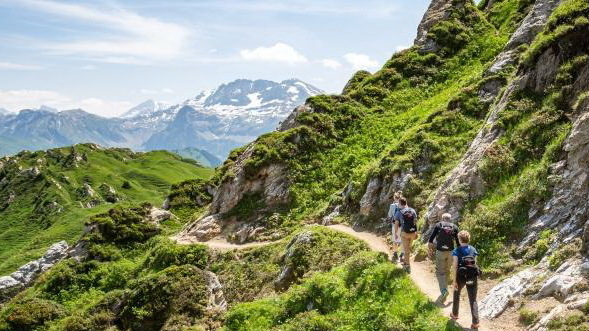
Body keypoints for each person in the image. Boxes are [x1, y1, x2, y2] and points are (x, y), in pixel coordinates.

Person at [451, 230, 480, 330]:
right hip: (472, 276)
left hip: (461, 277)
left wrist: (454, 281)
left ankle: (455, 314)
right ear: (469, 239)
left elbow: (454, 267)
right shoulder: (473, 249)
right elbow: (475, 263)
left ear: (459, 239)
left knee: (456, 294)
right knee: (473, 299)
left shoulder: (456, 250)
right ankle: (475, 323)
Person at [428, 213, 460, 302]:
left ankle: (444, 290)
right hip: (451, 252)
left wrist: (430, 251)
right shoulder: (455, 227)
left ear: (442, 218)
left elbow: (431, 239)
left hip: (440, 252)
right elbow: (458, 243)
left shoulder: (438, 225)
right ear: (450, 219)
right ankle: (445, 288)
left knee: (439, 272)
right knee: (447, 270)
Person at [394, 197, 418, 273]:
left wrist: (396, 233)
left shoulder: (399, 212)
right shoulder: (412, 210)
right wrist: (416, 232)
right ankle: (405, 262)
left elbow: (396, 223)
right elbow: (415, 221)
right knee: (408, 248)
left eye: (398, 203)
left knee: (406, 250)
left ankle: (407, 266)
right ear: (406, 202)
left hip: (405, 233)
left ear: (400, 204)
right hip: (413, 233)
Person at [386, 191, 403, 262]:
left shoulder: (392, 206)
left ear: (394, 198)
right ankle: (402, 253)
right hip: (403, 225)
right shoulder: (403, 204)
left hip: (394, 224)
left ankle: (395, 253)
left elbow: (390, 215)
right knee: (402, 239)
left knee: (395, 238)